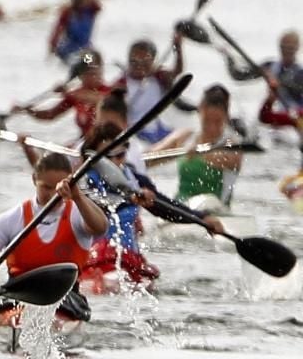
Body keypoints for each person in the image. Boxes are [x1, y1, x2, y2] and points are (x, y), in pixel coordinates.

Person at [0, 152, 108, 323]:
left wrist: (78, 196)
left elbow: (101, 227)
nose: (54, 194)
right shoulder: (10, 220)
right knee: (9, 314)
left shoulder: (79, 214)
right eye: (46, 187)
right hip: (17, 296)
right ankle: (13, 330)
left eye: (58, 187)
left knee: (55, 319)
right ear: (34, 180)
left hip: (65, 298)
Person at [81, 123, 224, 289]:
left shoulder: (133, 177)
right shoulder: (85, 179)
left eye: (120, 155)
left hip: (128, 258)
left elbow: (162, 207)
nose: (113, 163)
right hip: (95, 258)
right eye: (107, 157)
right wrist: (128, 199)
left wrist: (202, 219)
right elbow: (92, 201)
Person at [152, 84, 244, 208]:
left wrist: (201, 152)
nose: (212, 127)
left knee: (206, 202)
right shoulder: (185, 137)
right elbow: (151, 158)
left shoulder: (231, 143)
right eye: (207, 121)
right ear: (199, 111)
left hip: (216, 210)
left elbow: (233, 161)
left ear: (226, 117)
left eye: (217, 122)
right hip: (181, 205)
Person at [12, 49, 111, 139]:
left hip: (106, 143)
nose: (88, 77)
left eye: (92, 73)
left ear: (101, 71)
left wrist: (65, 92)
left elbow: (101, 100)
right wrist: (29, 111)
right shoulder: (75, 94)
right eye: (84, 73)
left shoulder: (110, 92)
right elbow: (50, 115)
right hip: (85, 142)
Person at [113, 36, 184, 143]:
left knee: (185, 136)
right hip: (135, 131)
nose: (139, 66)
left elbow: (178, 71)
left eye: (144, 63)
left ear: (152, 62)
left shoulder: (158, 77)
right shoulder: (121, 83)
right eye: (134, 62)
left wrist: (178, 48)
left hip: (157, 128)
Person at [48, 0, 102, 65]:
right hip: (68, 49)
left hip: (85, 47)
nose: (87, 1)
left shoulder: (90, 11)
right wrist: (52, 46)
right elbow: (57, 30)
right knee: (77, 64)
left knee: (90, 63)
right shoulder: (68, 13)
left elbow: (98, 7)